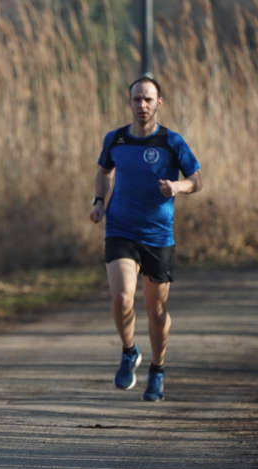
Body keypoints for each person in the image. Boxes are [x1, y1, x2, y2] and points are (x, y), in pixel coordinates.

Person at [89, 75, 202, 401]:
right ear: (130, 102)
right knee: (122, 297)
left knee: (156, 310)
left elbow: (196, 180)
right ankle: (128, 351)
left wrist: (177, 187)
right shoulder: (116, 140)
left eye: (148, 99)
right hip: (121, 230)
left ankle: (158, 369)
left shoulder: (172, 142)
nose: (142, 105)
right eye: (137, 99)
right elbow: (103, 171)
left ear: (158, 103)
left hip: (158, 235)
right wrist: (99, 202)